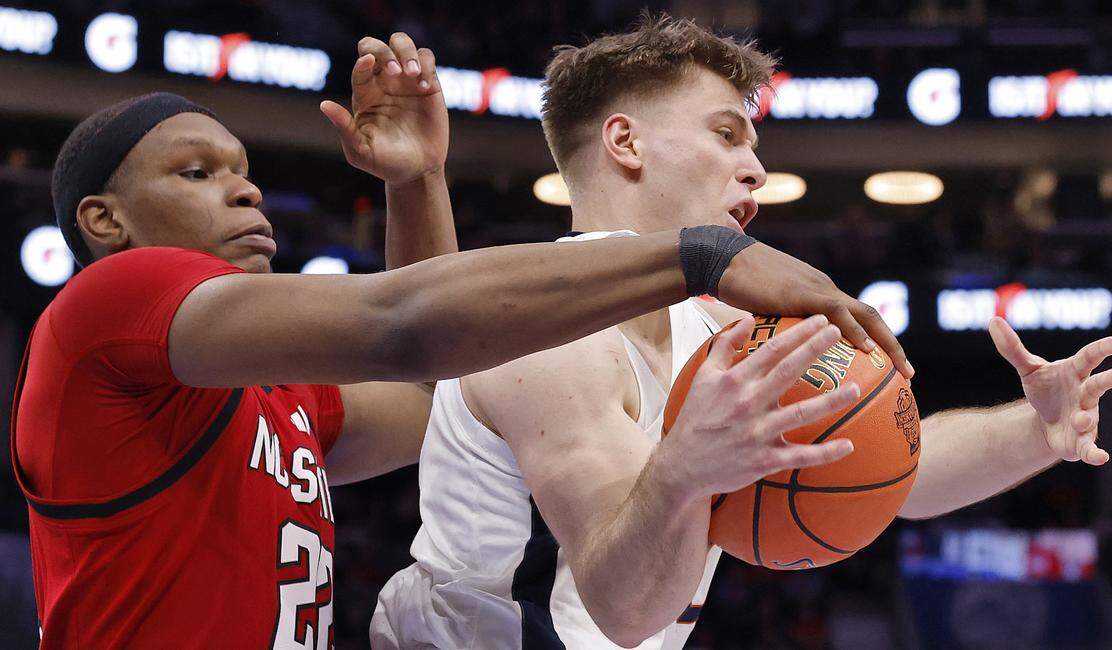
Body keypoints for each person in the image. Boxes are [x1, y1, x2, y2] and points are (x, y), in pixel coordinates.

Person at [9, 32, 906, 648]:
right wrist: (701, 256)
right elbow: (401, 327)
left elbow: (432, 395)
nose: (246, 193)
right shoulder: (107, 308)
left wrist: (418, 182)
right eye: (198, 173)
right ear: (104, 220)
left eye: (246, 172)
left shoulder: (274, 395)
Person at [370, 15, 1112, 649]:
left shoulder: (727, 324)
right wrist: (685, 471)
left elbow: (889, 475)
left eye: (753, 145)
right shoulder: (549, 341)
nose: (756, 169)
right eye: (728, 135)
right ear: (626, 143)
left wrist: (1038, 430)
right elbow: (624, 612)